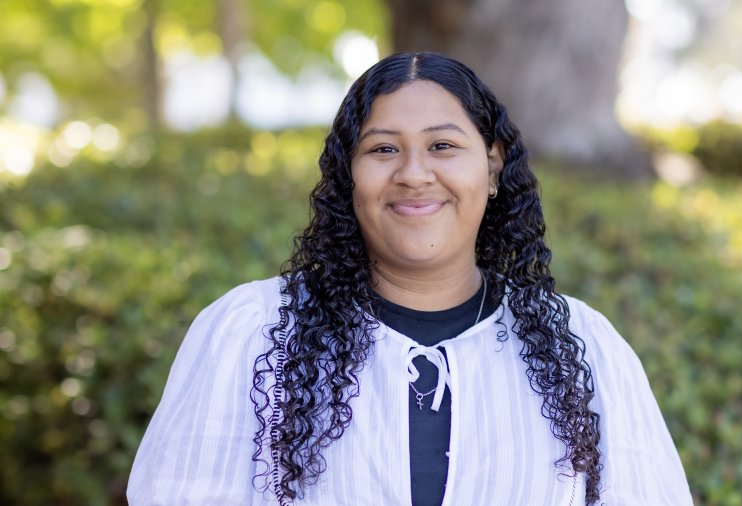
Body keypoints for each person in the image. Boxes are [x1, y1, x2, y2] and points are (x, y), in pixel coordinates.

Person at [127, 52, 692, 505]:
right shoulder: (251, 335)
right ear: (349, 174)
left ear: (492, 166)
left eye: (443, 146)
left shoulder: (585, 349)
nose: (414, 174)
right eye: (383, 149)